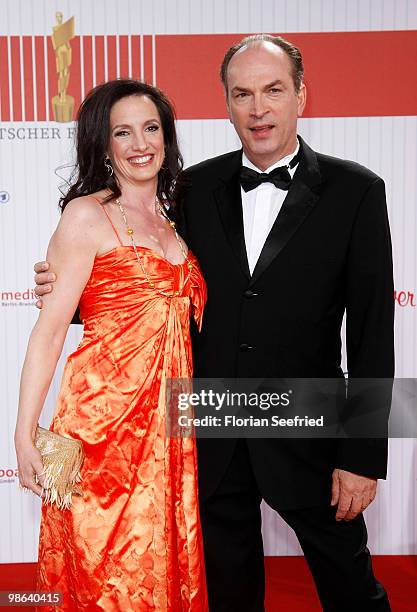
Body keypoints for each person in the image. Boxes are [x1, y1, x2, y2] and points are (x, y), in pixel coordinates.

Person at [34, 35, 394, 612]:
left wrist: (362, 454)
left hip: (307, 419)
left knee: (350, 584)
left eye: (273, 91)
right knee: (227, 588)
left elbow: (374, 330)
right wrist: (65, 291)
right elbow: (151, 280)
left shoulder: (356, 191)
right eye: (242, 94)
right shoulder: (192, 188)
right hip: (211, 423)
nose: (258, 109)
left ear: (301, 94)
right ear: (225, 102)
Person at [16, 79, 208, 611]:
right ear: (103, 145)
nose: (139, 143)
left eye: (150, 128)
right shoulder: (86, 215)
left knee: (157, 569)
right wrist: (23, 433)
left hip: (169, 433)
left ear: (167, 139)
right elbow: (50, 330)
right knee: (104, 576)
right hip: (102, 433)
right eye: (122, 132)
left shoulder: (175, 223)